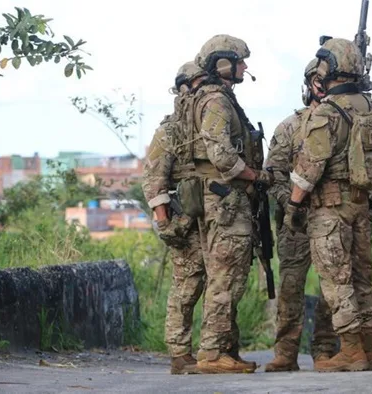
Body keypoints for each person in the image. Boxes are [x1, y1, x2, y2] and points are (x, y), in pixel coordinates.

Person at [285, 37, 372, 372]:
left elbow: (309, 168)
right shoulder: (369, 108)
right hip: (362, 204)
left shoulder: (328, 112)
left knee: (335, 279)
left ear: (328, 68)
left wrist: (293, 206)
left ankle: (350, 350)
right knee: (362, 277)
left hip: (330, 210)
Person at [190, 34, 274, 374]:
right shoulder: (216, 102)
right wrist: (255, 176)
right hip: (225, 202)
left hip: (226, 201)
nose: (245, 67)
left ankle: (225, 349)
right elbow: (221, 155)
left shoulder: (220, 99)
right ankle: (211, 354)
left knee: (230, 276)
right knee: (226, 278)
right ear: (222, 63)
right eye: (240, 61)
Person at [263, 57, 337, 372]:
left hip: (332, 216)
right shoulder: (290, 126)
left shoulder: (342, 122)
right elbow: (273, 174)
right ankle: (286, 351)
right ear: (309, 85)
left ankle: (325, 350)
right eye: (317, 82)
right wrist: (292, 202)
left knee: (332, 288)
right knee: (291, 287)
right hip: (295, 222)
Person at [142, 61, 208, 374]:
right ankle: (180, 353)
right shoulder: (169, 132)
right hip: (186, 219)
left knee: (221, 284)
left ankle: (215, 349)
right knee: (186, 288)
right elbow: (154, 178)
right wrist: (165, 221)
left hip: (216, 217)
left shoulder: (211, 124)